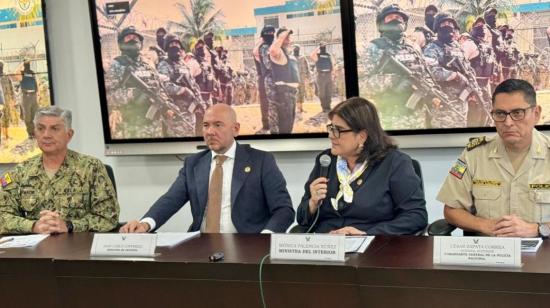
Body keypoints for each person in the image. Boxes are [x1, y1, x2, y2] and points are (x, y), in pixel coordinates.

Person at [120, 104, 295, 233]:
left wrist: (264, 238)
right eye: (206, 125)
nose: (210, 131)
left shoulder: (261, 161)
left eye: (218, 125)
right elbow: (170, 200)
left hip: (248, 245)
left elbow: (284, 210)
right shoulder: (193, 164)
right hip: (201, 246)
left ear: (235, 129)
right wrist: (145, 223)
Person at [296, 97, 427, 235]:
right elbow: (302, 219)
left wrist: (368, 234)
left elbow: (416, 216)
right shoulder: (325, 161)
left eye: (338, 130)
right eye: (331, 128)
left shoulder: (395, 163)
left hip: (373, 247)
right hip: (327, 247)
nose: (331, 135)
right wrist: (312, 203)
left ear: (362, 136)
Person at [437, 79, 550, 237]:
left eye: (517, 113)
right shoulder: (472, 154)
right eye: (500, 114)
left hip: (543, 253)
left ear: (536, 113)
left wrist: (538, 229)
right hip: (490, 252)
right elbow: (451, 209)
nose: (508, 122)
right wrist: (484, 225)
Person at [0, 106, 120, 234]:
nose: (46, 135)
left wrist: (69, 226)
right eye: (41, 128)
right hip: (35, 250)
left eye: (54, 129)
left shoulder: (91, 168)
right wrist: (33, 226)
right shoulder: (19, 172)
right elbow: (2, 216)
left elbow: (108, 217)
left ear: (69, 135)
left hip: (79, 248)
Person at [364, 4, 448, 129]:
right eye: (390, 17)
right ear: (381, 23)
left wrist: (432, 92)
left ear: (405, 22)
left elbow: (425, 74)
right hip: (388, 119)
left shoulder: (413, 47)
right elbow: (362, 85)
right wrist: (394, 81)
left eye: (399, 17)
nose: (395, 19)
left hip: (417, 118)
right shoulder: (373, 48)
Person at [105, 26, 176, 139]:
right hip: (131, 129)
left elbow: (159, 88)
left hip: (155, 128)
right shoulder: (117, 65)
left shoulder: (148, 64)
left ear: (141, 43)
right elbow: (108, 96)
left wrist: (166, 105)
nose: (133, 39)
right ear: (121, 43)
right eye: (129, 37)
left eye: (135, 37)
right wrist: (132, 94)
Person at [157, 34, 205, 137]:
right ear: (167, 47)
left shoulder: (183, 65)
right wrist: (182, 90)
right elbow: (163, 86)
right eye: (172, 44)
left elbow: (193, 84)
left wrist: (199, 101)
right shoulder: (164, 65)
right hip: (176, 113)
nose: (175, 46)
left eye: (177, 43)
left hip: (190, 113)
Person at [265, 27, 299, 134]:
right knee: (283, 131)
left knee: (289, 129)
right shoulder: (278, 53)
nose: (288, 40)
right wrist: (281, 36)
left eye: (289, 37)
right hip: (282, 97)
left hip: (292, 95)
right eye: (285, 38)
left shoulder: (290, 55)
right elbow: (273, 50)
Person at [254, 25, 276, 134]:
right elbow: (269, 65)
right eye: (268, 33)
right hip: (264, 77)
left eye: (272, 33)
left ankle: (268, 124)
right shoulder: (264, 47)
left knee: (268, 102)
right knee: (266, 102)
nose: (271, 35)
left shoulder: (264, 46)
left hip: (265, 77)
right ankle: (267, 125)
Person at [310, 42, 334, 113]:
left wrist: (332, 74)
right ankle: (324, 107)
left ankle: (328, 106)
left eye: (324, 46)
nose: (324, 47)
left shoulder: (328, 55)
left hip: (328, 75)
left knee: (329, 92)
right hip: (321, 75)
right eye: (322, 46)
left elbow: (332, 64)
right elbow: (311, 55)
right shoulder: (318, 55)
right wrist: (318, 47)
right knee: (322, 92)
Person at [20, 59, 39, 139]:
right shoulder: (21, 73)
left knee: (35, 114)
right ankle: (30, 133)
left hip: (34, 95)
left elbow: (36, 82)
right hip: (26, 96)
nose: (28, 64)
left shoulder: (32, 72)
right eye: (26, 63)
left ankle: (35, 132)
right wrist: (21, 64)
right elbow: (15, 75)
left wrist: (38, 93)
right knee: (27, 116)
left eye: (29, 63)